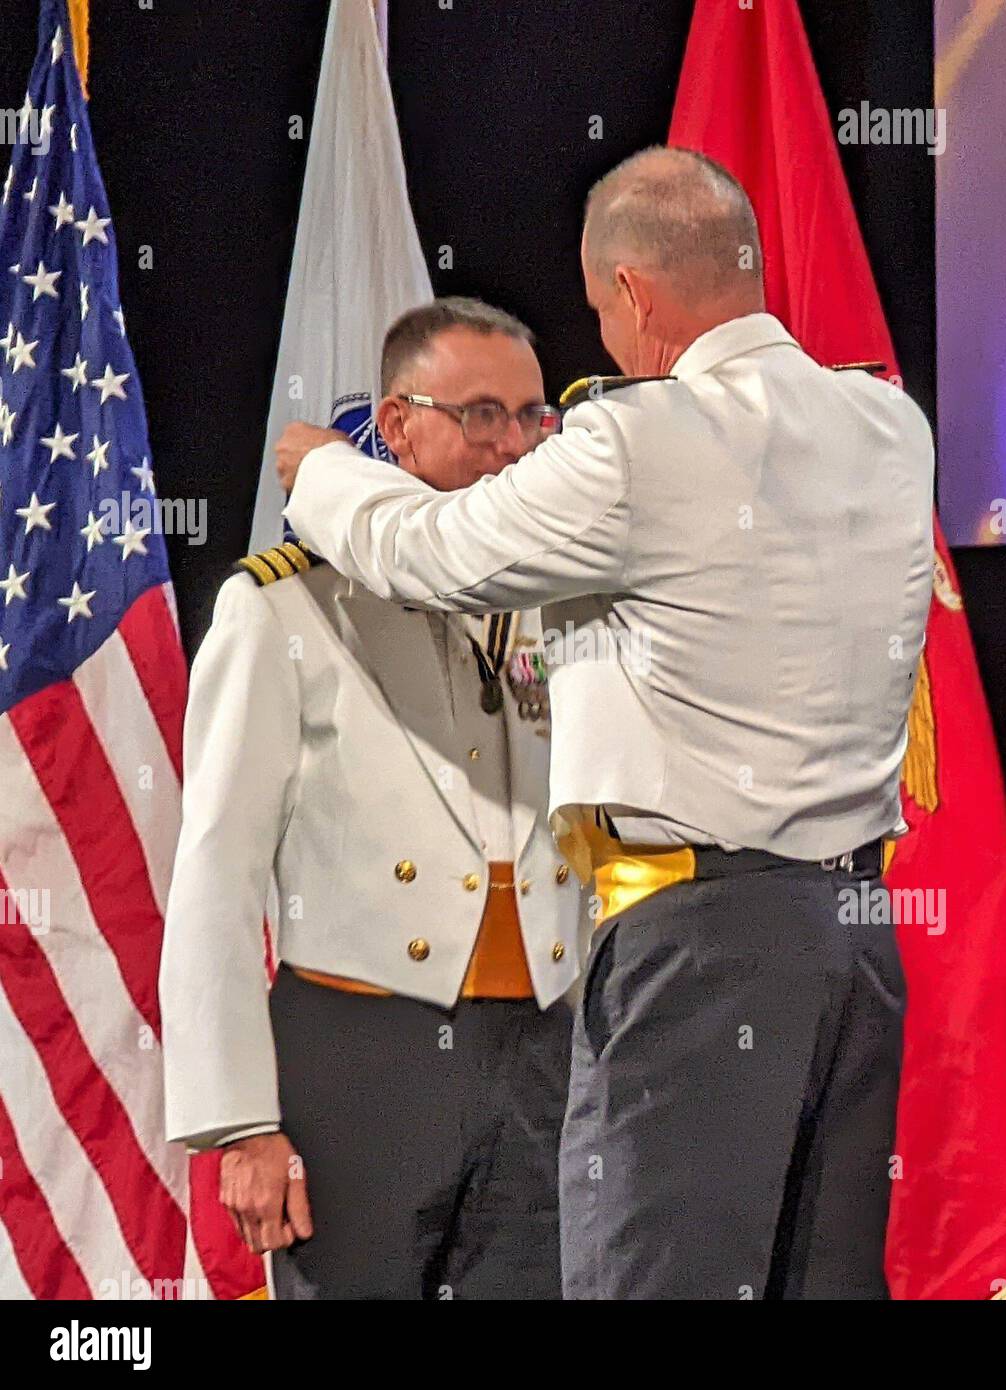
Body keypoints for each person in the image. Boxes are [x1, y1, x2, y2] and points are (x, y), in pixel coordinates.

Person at [275, 148, 936, 1299]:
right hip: (857, 934)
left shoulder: (637, 443)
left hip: (701, 942)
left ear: (634, 295)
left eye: (600, 313)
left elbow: (429, 555)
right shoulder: (891, 425)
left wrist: (328, 473)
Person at [160, 297, 585, 1300]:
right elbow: (215, 875)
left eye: (532, 418)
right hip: (356, 1057)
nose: (512, 446)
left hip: (541, 1049)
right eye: (482, 414)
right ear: (395, 424)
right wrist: (241, 1122)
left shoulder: (559, 600)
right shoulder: (281, 607)